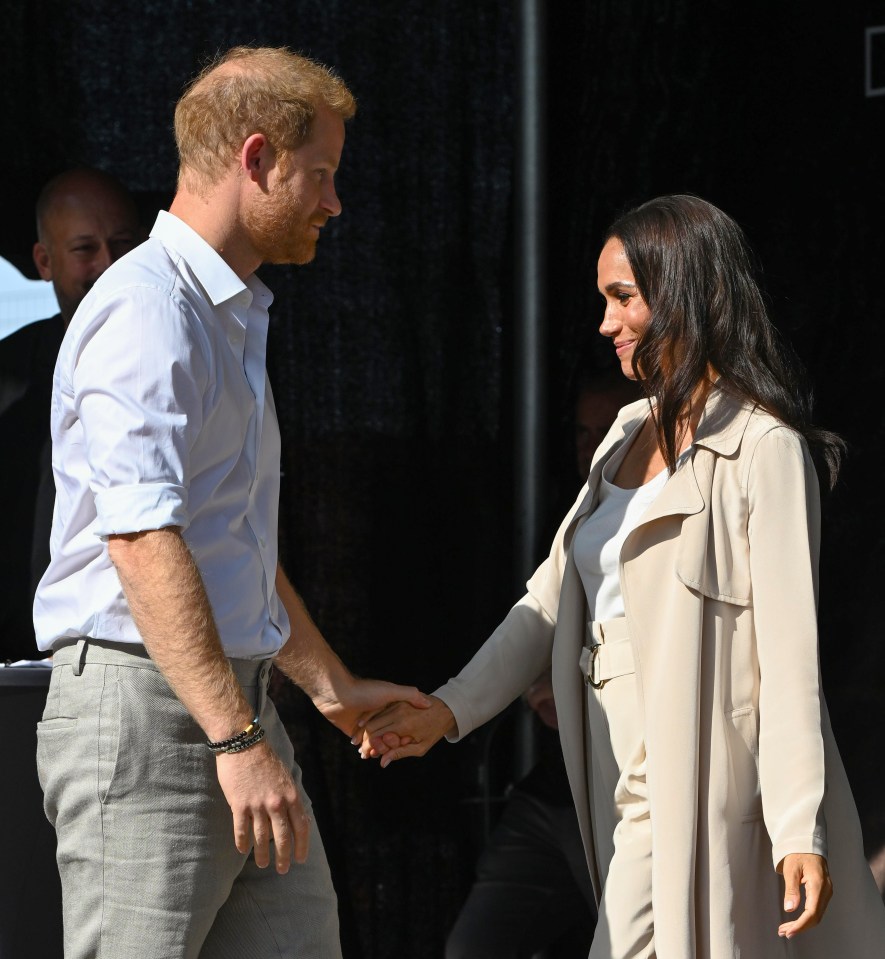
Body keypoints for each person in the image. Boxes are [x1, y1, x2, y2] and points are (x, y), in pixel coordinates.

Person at [359, 195, 885, 957]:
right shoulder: (625, 429)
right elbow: (546, 598)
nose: (605, 323)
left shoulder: (762, 446)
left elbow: (788, 656)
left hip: (696, 765)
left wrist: (798, 826)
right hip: (604, 755)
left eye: (622, 298)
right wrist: (448, 710)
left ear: (685, 294)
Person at [34, 46, 429, 959]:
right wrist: (236, 736)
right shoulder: (147, 309)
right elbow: (140, 540)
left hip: (227, 711)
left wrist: (326, 691)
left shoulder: (224, 310)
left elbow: (226, 545)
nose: (334, 202)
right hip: (153, 716)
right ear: (255, 159)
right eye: (321, 174)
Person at [0, 168, 140, 660]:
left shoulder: (178, 355)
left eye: (123, 244)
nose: (108, 264)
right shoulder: (8, 373)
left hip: (130, 657)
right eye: (85, 249)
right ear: (44, 261)